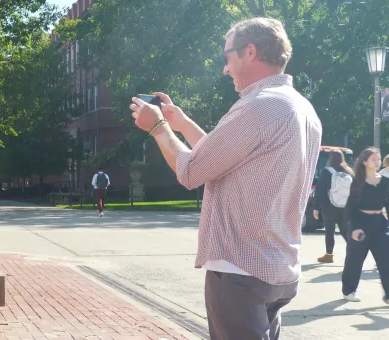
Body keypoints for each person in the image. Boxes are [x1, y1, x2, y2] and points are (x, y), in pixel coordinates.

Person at [129, 17, 321, 340]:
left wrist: (157, 127)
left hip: (240, 269)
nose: (225, 68)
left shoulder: (257, 106)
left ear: (249, 52)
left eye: (226, 57)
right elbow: (222, 160)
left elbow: (191, 170)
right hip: (277, 270)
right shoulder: (303, 109)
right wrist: (183, 123)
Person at [340, 147, 389, 303]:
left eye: (378, 159)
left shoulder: (385, 182)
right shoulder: (357, 181)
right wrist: (353, 228)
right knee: (355, 259)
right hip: (360, 222)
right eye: (373, 159)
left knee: (385, 259)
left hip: (380, 223)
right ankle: (349, 291)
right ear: (365, 161)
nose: (377, 161)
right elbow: (350, 207)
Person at [316, 149, 353, 263]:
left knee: (330, 230)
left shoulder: (326, 171)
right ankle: (354, 251)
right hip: (345, 206)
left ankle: (329, 255)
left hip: (329, 206)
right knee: (344, 230)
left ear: (330, 158)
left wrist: (316, 207)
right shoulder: (349, 172)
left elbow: (320, 191)